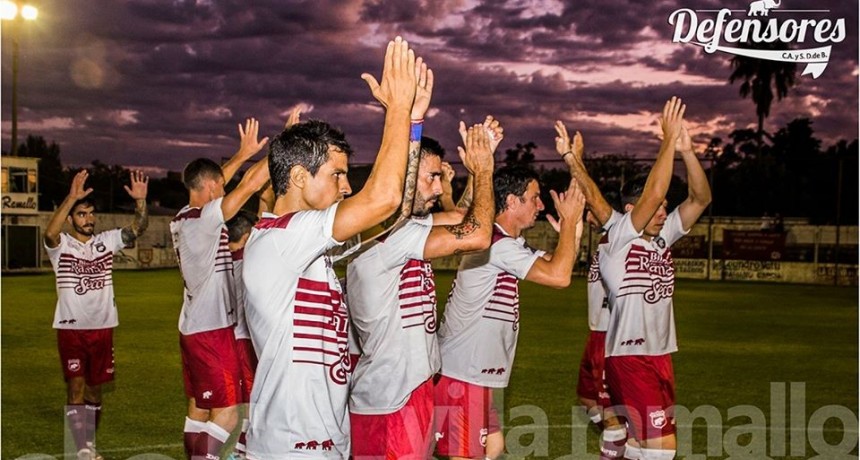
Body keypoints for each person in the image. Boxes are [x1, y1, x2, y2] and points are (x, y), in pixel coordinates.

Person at [241, 36, 425, 459]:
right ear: (301, 177)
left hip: (326, 440)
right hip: (291, 447)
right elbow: (381, 199)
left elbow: (390, 214)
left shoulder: (310, 247)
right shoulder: (281, 240)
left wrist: (412, 127)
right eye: (337, 175)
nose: (347, 188)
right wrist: (396, 110)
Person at [347, 119, 500, 459]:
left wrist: (476, 169)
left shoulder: (405, 227)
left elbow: (461, 216)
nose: (437, 188)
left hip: (405, 388)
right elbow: (477, 234)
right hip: (393, 397)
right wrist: (485, 172)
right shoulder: (393, 235)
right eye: (431, 177)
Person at [435, 142, 587, 460]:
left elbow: (558, 263)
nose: (539, 204)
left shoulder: (507, 243)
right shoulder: (497, 244)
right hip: (463, 374)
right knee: (468, 454)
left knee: (493, 446)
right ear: (512, 201)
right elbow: (558, 277)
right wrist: (570, 224)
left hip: (475, 373)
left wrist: (572, 232)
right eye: (533, 198)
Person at [578, 97, 711, 459]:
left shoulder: (662, 237)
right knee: (662, 451)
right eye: (658, 208)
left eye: (666, 208)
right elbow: (654, 193)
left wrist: (686, 150)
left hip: (660, 354)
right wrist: (666, 140)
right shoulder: (620, 238)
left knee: (639, 447)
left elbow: (700, 198)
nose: (663, 211)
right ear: (630, 211)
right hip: (630, 355)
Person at [170, 118, 270, 460]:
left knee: (199, 409)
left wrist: (242, 154)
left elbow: (220, 180)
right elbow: (251, 186)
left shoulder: (185, 215)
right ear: (211, 187)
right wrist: (288, 143)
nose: (225, 190)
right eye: (221, 186)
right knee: (228, 413)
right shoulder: (205, 219)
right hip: (212, 330)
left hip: (193, 327)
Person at [44, 169, 149, 460]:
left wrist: (140, 202)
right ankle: (80, 449)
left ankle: (88, 444)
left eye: (90, 214)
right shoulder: (62, 247)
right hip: (71, 328)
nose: (88, 219)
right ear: (70, 219)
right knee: (76, 387)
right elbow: (49, 233)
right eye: (81, 214)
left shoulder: (107, 241)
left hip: (103, 328)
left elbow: (137, 228)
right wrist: (71, 197)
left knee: (95, 392)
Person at [556, 122, 627, 459]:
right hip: (594, 335)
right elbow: (579, 198)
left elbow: (591, 199)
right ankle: (621, 437)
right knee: (587, 401)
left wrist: (577, 161)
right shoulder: (601, 240)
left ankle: (616, 442)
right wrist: (576, 166)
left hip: (610, 338)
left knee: (610, 417)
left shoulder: (621, 237)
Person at [225, 209, 259, 459]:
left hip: (226, 338)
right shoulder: (250, 261)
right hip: (246, 338)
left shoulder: (221, 262)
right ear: (247, 237)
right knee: (252, 398)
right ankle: (241, 449)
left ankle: (238, 446)